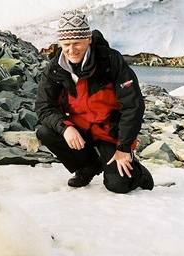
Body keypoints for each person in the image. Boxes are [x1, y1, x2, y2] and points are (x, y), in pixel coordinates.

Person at [35, 10, 154, 193]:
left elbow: (133, 105)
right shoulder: (55, 69)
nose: (71, 50)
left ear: (88, 39)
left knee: (117, 185)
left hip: (109, 132)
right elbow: (44, 107)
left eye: (77, 43)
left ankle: (139, 173)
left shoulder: (110, 60)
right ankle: (89, 165)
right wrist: (66, 127)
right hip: (80, 128)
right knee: (46, 132)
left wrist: (124, 147)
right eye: (66, 44)